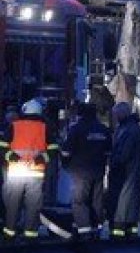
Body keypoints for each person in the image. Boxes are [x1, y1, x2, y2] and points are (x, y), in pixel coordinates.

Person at [1, 98, 58, 241]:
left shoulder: (14, 126)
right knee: (33, 206)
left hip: (16, 173)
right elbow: (53, 148)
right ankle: (30, 235)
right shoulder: (45, 127)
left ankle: (9, 234)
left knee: (12, 204)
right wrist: (41, 159)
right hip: (35, 174)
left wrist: (12, 157)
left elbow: (2, 146)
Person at [61, 103, 112, 239]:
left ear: (80, 114)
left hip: (80, 171)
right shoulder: (103, 129)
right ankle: (97, 228)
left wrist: (66, 165)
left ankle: (84, 230)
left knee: (79, 201)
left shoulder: (76, 129)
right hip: (98, 171)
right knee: (96, 200)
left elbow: (66, 151)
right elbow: (108, 152)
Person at [108, 102, 140, 238]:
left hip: (124, 174)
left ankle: (118, 234)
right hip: (130, 174)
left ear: (122, 114)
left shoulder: (128, 130)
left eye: (116, 114)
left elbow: (123, 154)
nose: (115, 117)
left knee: (122, 205)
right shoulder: (130, 127)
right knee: (129, 208)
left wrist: (112, 160)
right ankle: (130, 232)